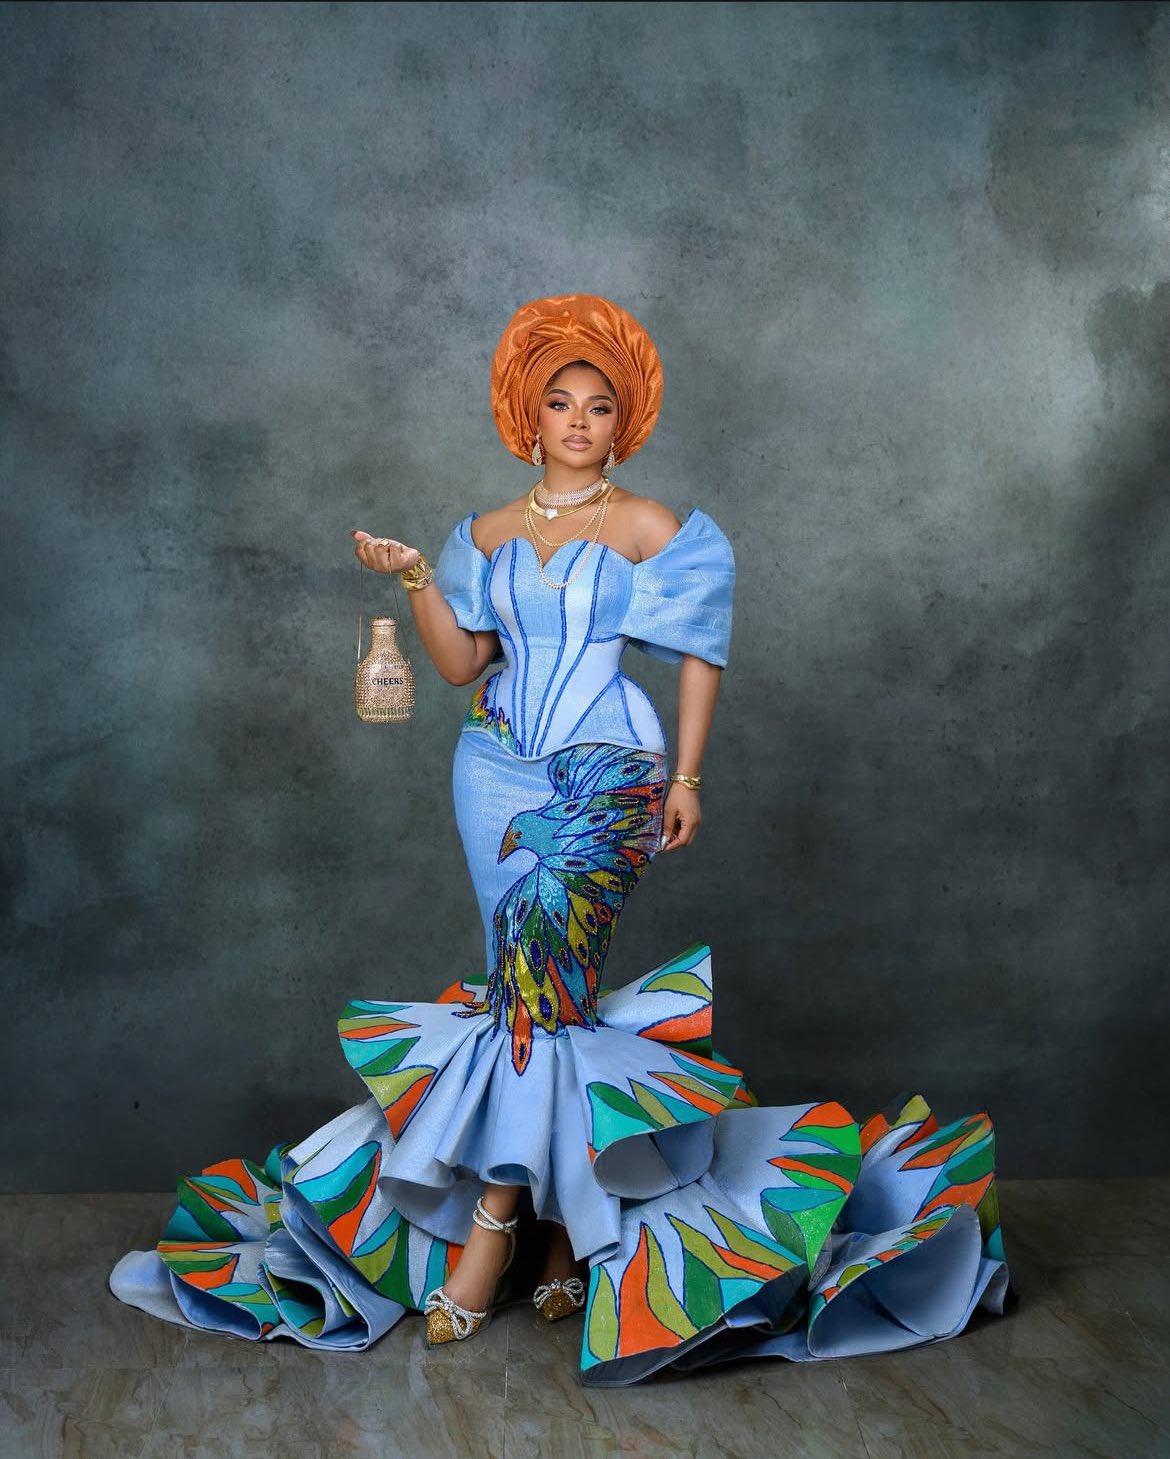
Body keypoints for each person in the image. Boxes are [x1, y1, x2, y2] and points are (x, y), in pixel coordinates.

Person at [109, 294, 1011, 1385]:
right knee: (527, 996)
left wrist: (686, 777)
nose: (579, 420)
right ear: (526, 417)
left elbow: (700, 654)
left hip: (605, 775)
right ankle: (554, 1234)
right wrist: (416, 579)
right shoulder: (485, 535)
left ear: (622, 423)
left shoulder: (650, 527)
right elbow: (458, 664)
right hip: (491, 772)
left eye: (599, 405)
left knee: (543, 990)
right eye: (560, 402)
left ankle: (491, 1235)